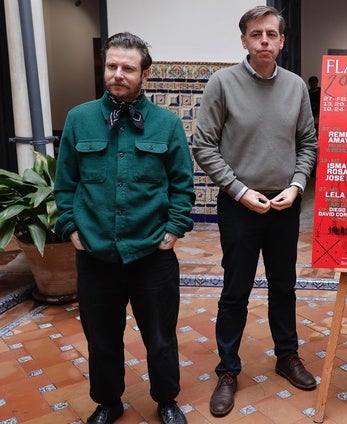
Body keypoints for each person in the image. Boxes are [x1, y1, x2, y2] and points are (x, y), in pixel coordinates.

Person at [54, 32, 195, 424]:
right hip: (96, 253)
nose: (118, 74)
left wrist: (173, 231)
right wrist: (71, 228)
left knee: (161, 338)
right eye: (112, 66)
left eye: (128, 68)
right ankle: (107, 401)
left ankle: (166, 400)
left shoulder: (166, 124)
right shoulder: (79, 119)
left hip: (152, 253)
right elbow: (65, 183)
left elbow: (182, 183)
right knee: (101, 339)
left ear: (144, 74)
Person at [192, 5, 318, 418]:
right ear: (244, 40)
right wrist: (239, 190)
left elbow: (308, 144)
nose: (264, 40)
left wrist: (297, 185)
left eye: (271, 34)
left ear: (282, 41)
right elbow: (204, 145)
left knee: (284, 286)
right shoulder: (222, 83)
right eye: (255, 34)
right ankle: (228, 371)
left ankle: (287, 356)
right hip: (240, 206)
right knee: (235, 291)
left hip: (283, 205)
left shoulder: (297, 86)